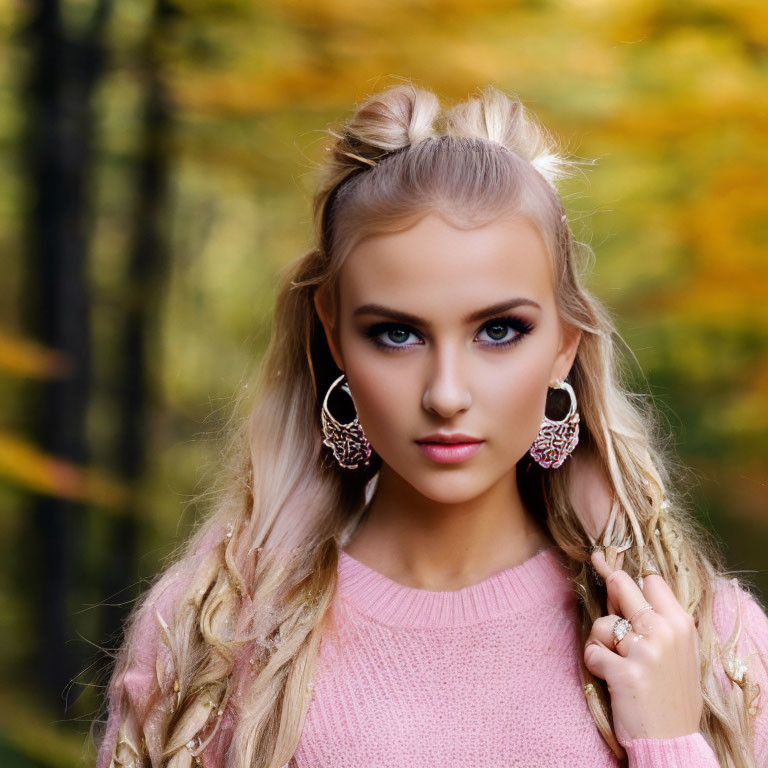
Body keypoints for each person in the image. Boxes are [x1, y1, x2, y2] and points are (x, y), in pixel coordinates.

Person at [94, 82, 768, 768]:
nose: (446, 394)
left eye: (500, 330)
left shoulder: (709, 640)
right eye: (396, 334)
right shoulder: (214, 637)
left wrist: (670, 743)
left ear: (565, 342)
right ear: (332, 337)